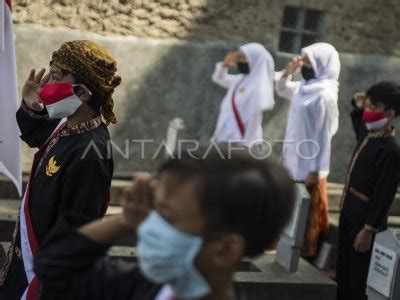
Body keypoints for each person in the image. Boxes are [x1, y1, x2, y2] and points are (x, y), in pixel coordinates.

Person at [33, 146, 295, 300]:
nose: (150, 225)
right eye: (154, 209)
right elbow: (52, 266)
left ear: (225, 249)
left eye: (167, 217)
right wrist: (125, 221)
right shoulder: (146, 286)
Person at [0, 40, 121, 299]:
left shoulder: (91, 154)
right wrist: (32, 108)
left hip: (45, 280)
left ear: (83, 94)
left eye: (55, 78)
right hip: (23, 264)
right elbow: (35, 135)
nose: (47, 87)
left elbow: (77, 234)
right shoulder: (66, 124)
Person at [275, 42, 341, 259]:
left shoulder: (324, 95)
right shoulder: (303, 88)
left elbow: (323, 135)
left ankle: (307, 257)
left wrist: (315, 170)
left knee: (308, 217)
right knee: (290, 215)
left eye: (309, 62)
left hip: (309, 168)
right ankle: (287, 251)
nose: (305, 65)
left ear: (323, 65)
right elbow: (281, 88)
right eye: (304, 61)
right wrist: (288, 71)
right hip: (293, 160)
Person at [336, 82, 400, 300]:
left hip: (364, 224)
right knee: (342, 273)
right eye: (368, 105)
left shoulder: (390, 150)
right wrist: (357, 104)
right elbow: (358, 121)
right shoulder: (368, 135)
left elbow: (384, 194)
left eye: (374, 106)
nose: (368, 111)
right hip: (348, 214)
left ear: (390, 113)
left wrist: (368, 229)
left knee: (357, 279)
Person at [211, 43, 275, 150]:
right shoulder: (240, 79)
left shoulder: (259, 88)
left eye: (243, 58)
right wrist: (224, 65)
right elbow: (219, 78)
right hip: (225, 139)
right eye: (239, 57)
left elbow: (254, 121)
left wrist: (245, 148)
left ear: (254, 60)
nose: (239, 61)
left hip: (241, 144)